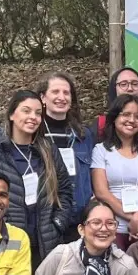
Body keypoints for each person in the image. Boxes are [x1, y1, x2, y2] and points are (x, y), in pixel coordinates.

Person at [0, 87, 72, 266]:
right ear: (11, 114)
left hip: (46, 241)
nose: (32, 117)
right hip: (7, 241)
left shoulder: (48, 149)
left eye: (37, 113)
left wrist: (58, 223)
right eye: (26, 111)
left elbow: (65, 190)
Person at [91, 93, 138, 243]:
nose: (132, 120)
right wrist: (131, 219)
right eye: (126, 114)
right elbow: (101, 192)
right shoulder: (101, 150)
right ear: (114, 117)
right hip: (111, 227)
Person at [39, 72, 95, 221]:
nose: (62, 97)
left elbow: (91, 176)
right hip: (46, 216)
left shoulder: (83, 135)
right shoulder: (35, 134)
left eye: (66, 93)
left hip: (80, 215)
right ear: (42, 97)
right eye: (55, 92)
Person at [95, 65, 138, 151]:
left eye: (134, 84)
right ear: (114, 89)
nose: (130, 88)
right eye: (124, 84)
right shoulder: (101, 125)